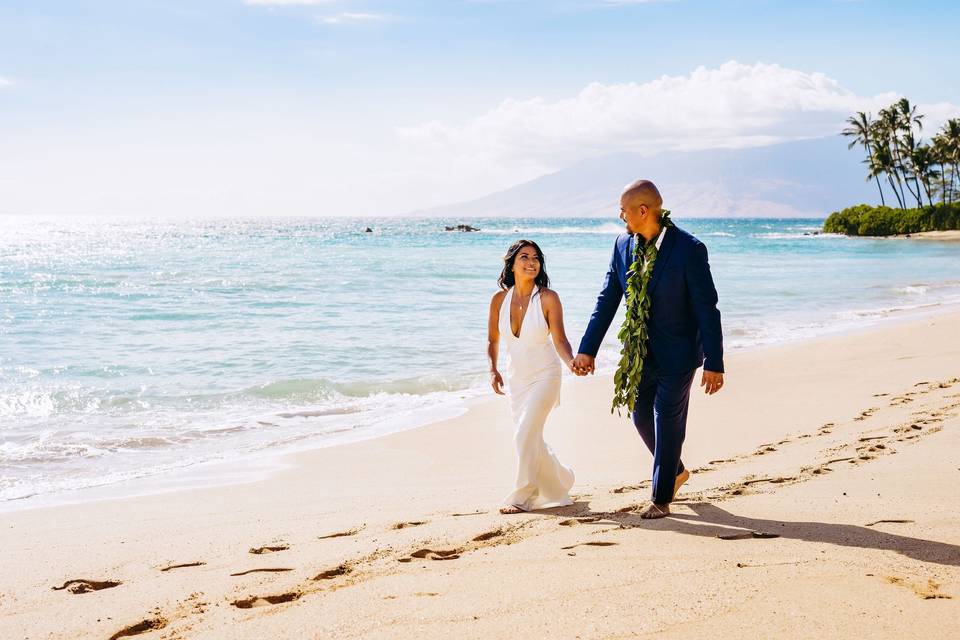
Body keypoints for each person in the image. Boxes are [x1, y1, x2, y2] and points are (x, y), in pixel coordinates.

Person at [572, 180, 725, 519]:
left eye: (623, 210)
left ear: (643, 211)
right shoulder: (622, 245)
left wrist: (715, 361)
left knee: (666, 417)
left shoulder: (689, 249)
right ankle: (676, 471)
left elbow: (707, 308)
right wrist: (587, 349)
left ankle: (661, 496)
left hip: (680, 352)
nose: (620, 216)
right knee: (641, 415)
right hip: (641, 353)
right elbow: (607, 299)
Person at [487, 240, 578, 514]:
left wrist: (572, 361)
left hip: (546, 375)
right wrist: (493, 369)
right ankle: (563, 477)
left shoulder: (548, 298)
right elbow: (492, 340)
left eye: (536, 258)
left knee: (524, 433)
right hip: (517, 380)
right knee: (530, 437)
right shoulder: (499, 300)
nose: (531, 262)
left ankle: (522, 496)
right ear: (511, 264)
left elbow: (560, 339)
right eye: (524, 257)